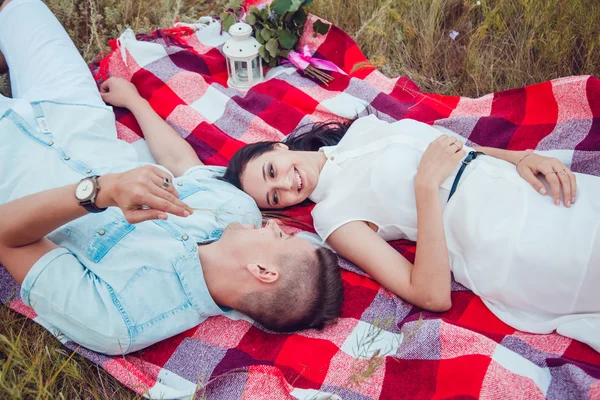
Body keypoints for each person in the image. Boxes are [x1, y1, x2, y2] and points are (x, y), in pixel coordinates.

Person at [0, 0, 343, 355]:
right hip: (76, 115)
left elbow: (6, 238)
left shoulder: (121, 320)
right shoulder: (238, 212)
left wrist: (100, 193)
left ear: (262, 270)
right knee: (21, 8)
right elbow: (181, 161)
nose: (274, 226)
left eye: (283, 238)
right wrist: (134, 100)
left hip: (9, 163)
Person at [222, 111, 600, 351]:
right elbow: (431, 295)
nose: (287, 186)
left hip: (529, 187)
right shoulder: (332, 216)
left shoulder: (364, 128)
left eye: (272, 170)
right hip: (507, 238)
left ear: (276, 145)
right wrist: (425, 186)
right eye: (276, 197)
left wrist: (521, 157)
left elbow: (459, 150)